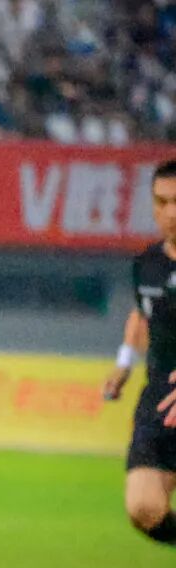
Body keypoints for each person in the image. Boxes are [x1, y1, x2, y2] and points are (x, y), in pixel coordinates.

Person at [103, 159, 176, 547]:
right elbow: (141, 313)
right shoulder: (147, 264)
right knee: (144, 507)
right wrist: (124, 362)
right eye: (161, 202)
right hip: (160, 397)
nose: (170, 213)